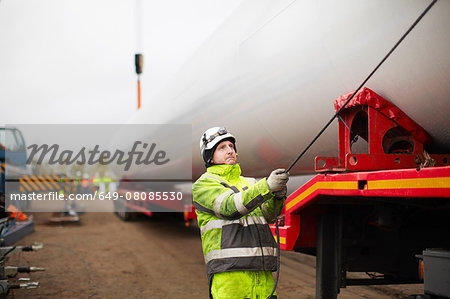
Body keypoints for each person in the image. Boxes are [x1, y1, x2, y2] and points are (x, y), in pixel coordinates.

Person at [192, 127, 289, 299]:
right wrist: (266, 186)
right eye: (221, 147)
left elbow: (267, 214)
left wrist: (277, 195)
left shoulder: (249, 182)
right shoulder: (203, 185)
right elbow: (229, 207)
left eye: (231, 146)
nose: (230, 150)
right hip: (230, 275)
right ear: (209, 157)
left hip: (262, 271)